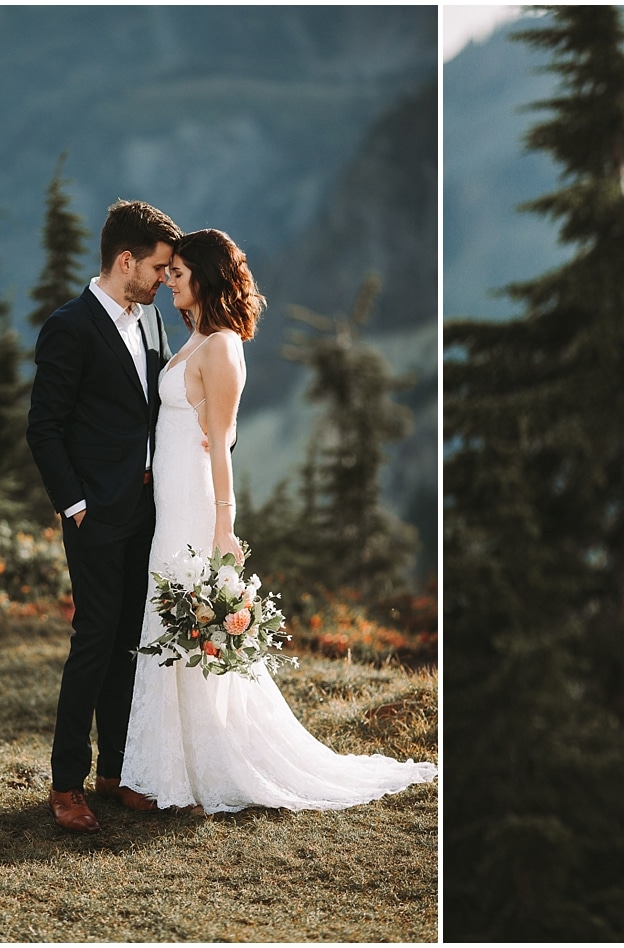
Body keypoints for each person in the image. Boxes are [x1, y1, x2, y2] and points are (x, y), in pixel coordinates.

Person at [117, 228, 437, 813]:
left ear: (206, 280)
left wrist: (221, 528)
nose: (168, 282)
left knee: (187, 631)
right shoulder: (195, 338)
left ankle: (185, 780)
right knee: (170, 627)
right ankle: (163, 773)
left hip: (194, 508)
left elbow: (221, 445)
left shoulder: (221, 348)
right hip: (169, 504)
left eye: (179, 274)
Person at [27, 200, 182, 832]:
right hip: (95, 513)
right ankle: (68, 785)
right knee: (93, 641)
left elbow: (153, 409)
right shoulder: (70, 326)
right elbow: (44, 428)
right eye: (159, 268)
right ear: (126, 262)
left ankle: (116, 773)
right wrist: (77, 504)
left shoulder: (147, 324)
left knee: (128, 643)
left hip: (146, 510)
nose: (165, 280)